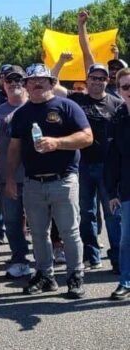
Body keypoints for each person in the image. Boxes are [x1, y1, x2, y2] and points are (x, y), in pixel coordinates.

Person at [6, 64, 93, 299]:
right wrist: (10, 178)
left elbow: (87, 137)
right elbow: (14, 149)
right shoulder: (22, 114)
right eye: (31, 80)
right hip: (33, 182)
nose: (36, 84)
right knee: (37, 233)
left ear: (52, 83)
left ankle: (75, 275)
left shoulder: (67, 106)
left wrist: (57, 142)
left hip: (63, 180)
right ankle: (46, 275)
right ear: (26, 85)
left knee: (69, 231)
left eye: (42, 80)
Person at [54, 10, 124, 272]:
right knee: (86, 214)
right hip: (81, 165)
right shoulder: (78, 98)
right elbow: (51, 84)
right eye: (92, 78)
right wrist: (80, 29)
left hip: (108, 168)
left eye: (101, 78)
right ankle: (91, 255)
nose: (96, 82)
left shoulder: (116, 102)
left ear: (108, 81)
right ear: (87, 80)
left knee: (112, 215)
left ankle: (117, 259)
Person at [0, 66, 33, 278]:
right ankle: (19, 259)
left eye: (19, 79)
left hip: (34, 176)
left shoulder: (36, 107)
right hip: (6, 177)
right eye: (10, 80)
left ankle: (44, 262)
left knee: (39, 223)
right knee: (11, 222)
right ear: (3, 84)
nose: (14, 83)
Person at [105, 67, 130, 299]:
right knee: (126, 239)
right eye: (125, 86)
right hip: (127, 188)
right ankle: (126, 281)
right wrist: (112, 191)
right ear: (119, 90)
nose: (129, 90)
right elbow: (112, 158)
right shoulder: (117, 118)